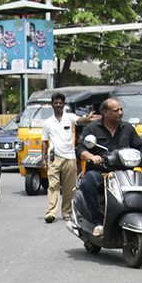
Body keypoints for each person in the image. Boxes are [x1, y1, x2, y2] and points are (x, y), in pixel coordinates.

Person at [78, 98, 142, 237]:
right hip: (100, 172)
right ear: (105, 112)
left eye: (121, 110)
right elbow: (81, 148)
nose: (120, 113)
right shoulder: (92, 128)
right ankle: (98, 221)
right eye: (116, 110)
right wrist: (91, 157)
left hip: (123, 172)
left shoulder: (127, 128)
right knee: (87, 182)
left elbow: (141, 145)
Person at [41, 92, 97, 224]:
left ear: (63, 104)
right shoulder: (48, 122)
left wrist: (88, 119)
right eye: (56, 103)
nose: (58, 105)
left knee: (68, 187)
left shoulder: (69, 117)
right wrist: (43, 158)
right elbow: (44, 141)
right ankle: (51, 212)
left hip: (70, 157)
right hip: (54, 158)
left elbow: (79, 120)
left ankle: (67, 213)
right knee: (53, 185)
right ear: (52, 105)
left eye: (60, 103)